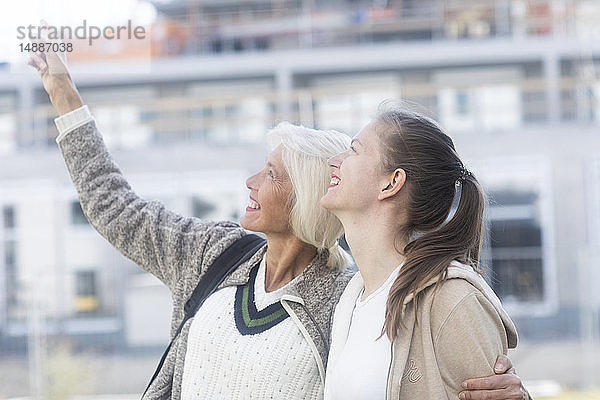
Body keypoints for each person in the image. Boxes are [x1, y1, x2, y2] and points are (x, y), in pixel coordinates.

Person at [28, 44, 529, 399]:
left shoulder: (347, 297)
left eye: (271, 174)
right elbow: (116, 208)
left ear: (308, 195)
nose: (249, 181)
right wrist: (63, 93)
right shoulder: (216, 256)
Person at [321, 106, 532, 400]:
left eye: (353, 151)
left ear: (392, 182)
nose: (334, 161)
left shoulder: (451, 299)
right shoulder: (352, 300)